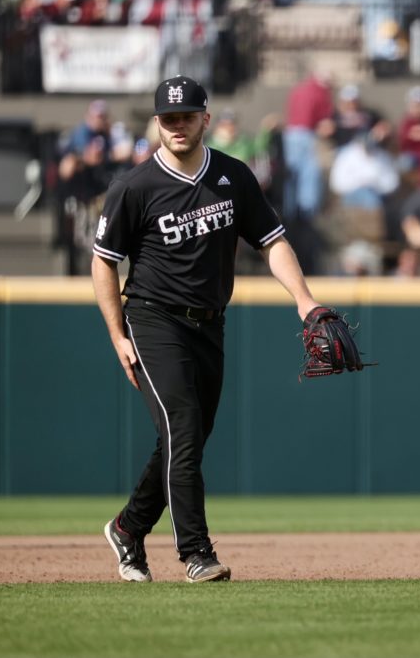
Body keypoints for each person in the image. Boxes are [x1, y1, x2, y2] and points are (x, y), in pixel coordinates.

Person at [91, 76, 322, 583]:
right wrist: (117, 334)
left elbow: (272, 241)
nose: (177, 125)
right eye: (168, 118)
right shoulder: (133, 186)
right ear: (157, 123)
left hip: (209, 324)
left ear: (205, 120)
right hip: (153, 318)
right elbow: (103, 262)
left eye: (186, 116)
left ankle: (129, 528)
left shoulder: (232, 176)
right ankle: (196, 553)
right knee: (185, 431)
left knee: (184, 437)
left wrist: (304, 301)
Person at [283, 68, 332, 220]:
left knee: (291, 174)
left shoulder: (298, 89)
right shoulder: (321, 92)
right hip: (307, 134)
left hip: (291, 133)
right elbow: (325, 121)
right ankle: (307, 212)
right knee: (309, 173)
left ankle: (289, 211)